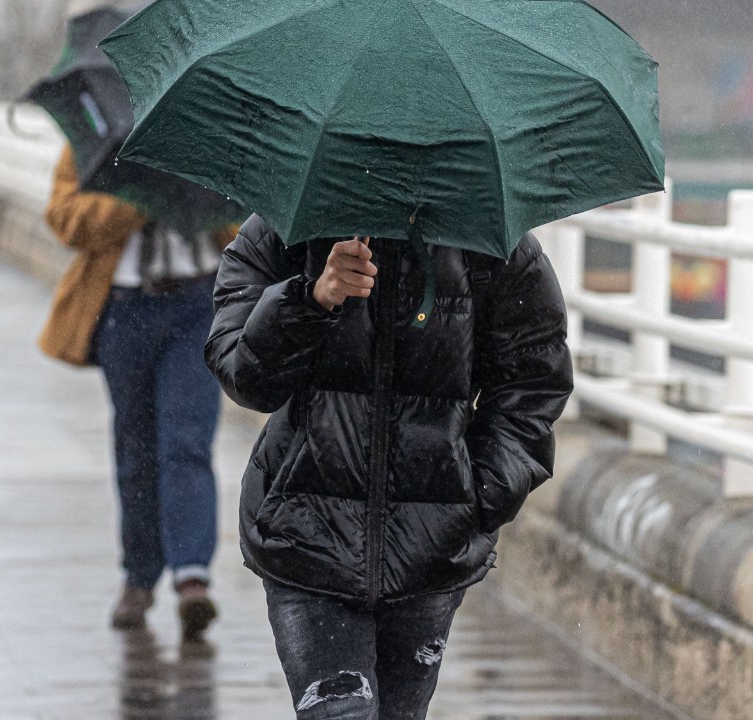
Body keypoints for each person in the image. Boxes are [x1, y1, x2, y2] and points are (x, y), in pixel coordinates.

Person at [206, 222, 574, 718]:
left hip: (431, 551)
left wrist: (478, 493)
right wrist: (311, 299)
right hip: (306, 538)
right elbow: (246, 378)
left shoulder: (493, 241)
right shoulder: (284, 231)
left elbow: (533, 381)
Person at [40, 145, 238, 642]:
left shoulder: (209, 127)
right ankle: (139, 578)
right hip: (125, 310)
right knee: (136, 448)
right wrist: (139, 198)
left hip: (199, 307)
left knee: (186, 443)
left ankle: (192, 576)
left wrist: (198, 194)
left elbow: (253, 220)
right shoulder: (99, 137)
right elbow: (66, 218)